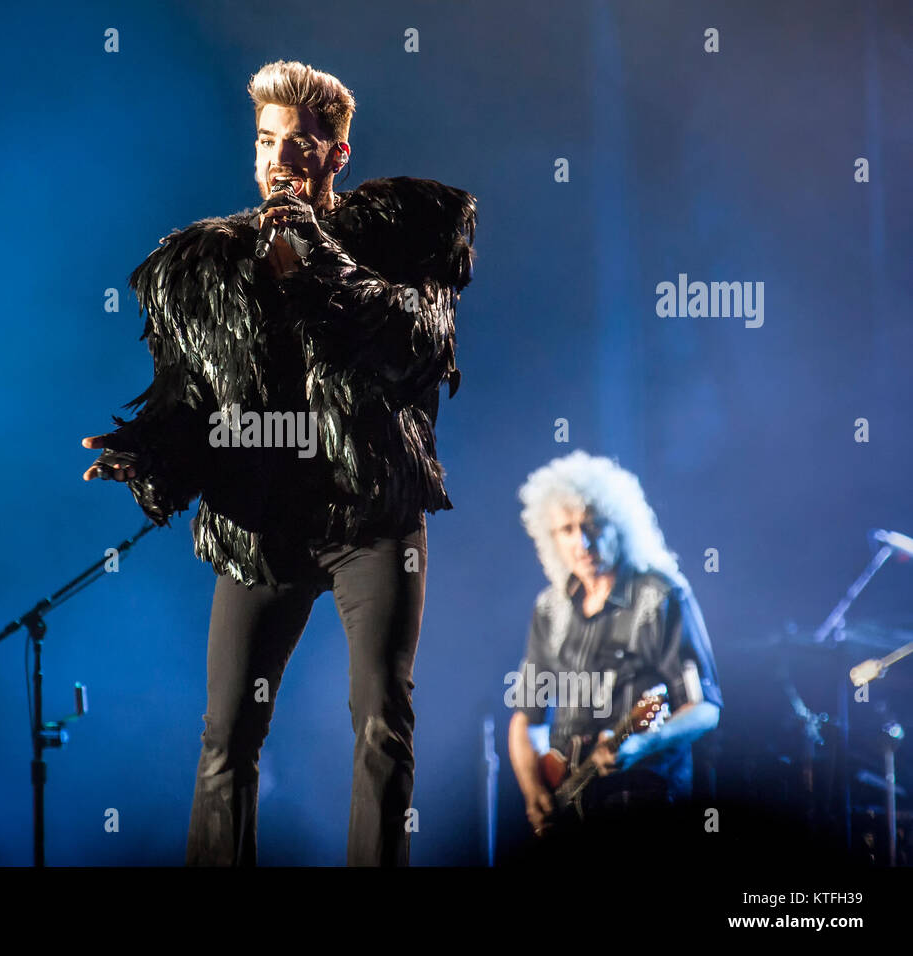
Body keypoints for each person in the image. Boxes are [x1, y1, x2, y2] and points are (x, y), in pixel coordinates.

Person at [80, 60, 476, 865]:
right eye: (266, 141)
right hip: (265, 525)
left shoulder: (400, 241)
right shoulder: (209, 268)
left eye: (299, 145)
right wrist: (148, 450)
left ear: (337, 155)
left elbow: (413, 346)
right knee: (227, 733)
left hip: (371, 521)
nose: (278, 160)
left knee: (381, 718)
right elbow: (194, 401)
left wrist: (316, 267)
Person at [507, 451, 722, 845]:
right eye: (567, 529)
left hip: (646, 800)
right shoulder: (549, 608)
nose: (581, 542)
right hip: (569, 807)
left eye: (592, 526)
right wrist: (533, 791)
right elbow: (526, 718)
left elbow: (705, 708)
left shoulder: (661, 596)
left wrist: (644, 743)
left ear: (619, 526)